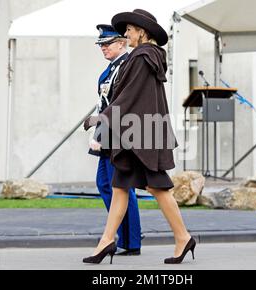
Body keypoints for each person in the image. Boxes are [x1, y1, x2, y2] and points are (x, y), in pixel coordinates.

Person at [83, 9, 195, 264]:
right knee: (120, 186)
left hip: (143, 137)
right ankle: (107, 241)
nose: (126, 34)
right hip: (137, 133)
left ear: (142, 32)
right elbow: (132, 97)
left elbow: (129, 96)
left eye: (130, 30)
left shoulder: (144, 56)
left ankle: (183, 237)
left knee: (158, 187)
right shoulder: (144, 56)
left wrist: (102, 118)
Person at [86, 24, 142, 256]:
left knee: (121, 187)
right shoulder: (112, 68)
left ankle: (130, 241)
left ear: (122, 43)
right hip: (108, 133)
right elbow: (104, 104)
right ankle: (123, 236)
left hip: (118, 136)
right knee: (106, 184)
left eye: (107, 44)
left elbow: (120, 106)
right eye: (101, 44)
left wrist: (102, 134)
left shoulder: (126, 67)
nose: (103, 48)